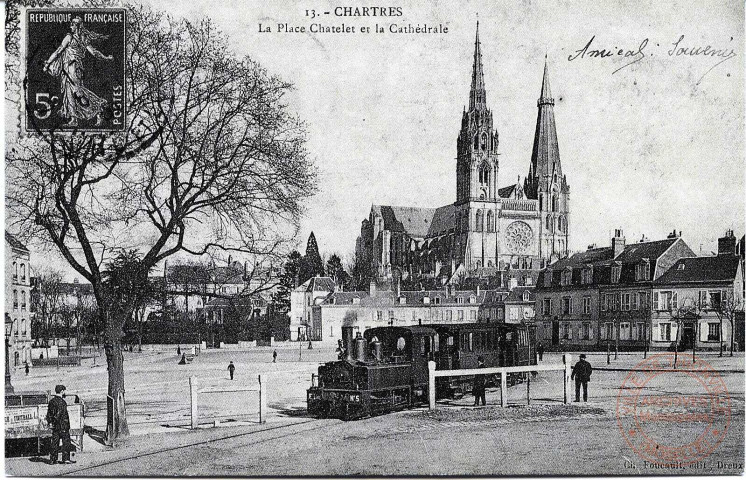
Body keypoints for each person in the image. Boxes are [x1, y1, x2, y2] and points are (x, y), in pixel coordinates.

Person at [42, 16, 113, 127]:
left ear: (77, 26)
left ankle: (99, 107)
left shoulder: (69, 37)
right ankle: (74, 118)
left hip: (72, 67)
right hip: (75, 67)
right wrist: (106, 58)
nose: (70, 26)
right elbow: (94, 53)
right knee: (72, 91)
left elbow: (58, 51)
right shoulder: (84, 38)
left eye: (72, 24)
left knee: (77, 92)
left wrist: (48, 63)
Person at [46, 385, 75, 464]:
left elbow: (48, 414)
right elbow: (59, 414)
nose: (65, 393)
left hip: (55, 426)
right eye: (64, 391)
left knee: (55, 443)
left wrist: (51, 423)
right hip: (63, 426)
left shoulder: (51, 401)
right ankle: (65, 459)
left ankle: (53, 460)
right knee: (66, 442)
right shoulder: (62, 402)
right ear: (62, 391)